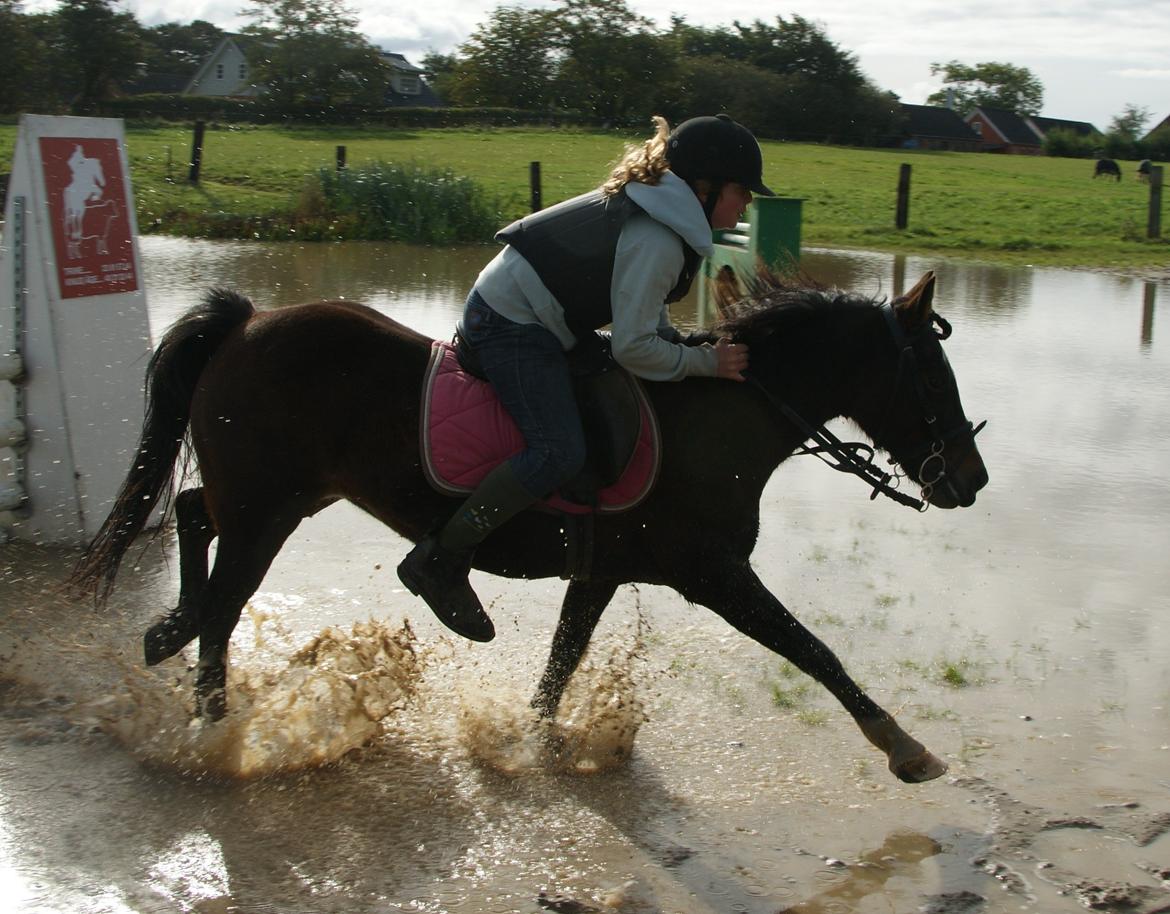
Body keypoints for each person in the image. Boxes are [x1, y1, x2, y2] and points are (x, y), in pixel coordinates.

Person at [397, 113, 774, 642]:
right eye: (742, 192)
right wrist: (707, 363)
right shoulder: (659, 237)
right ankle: (441, 558)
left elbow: (644, 321)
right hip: (508, 324)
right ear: (704, 188)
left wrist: (686, 347)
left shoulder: (663, 217)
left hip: (539, 315)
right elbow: (634, 347)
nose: (747, 206)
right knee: (558, 452)